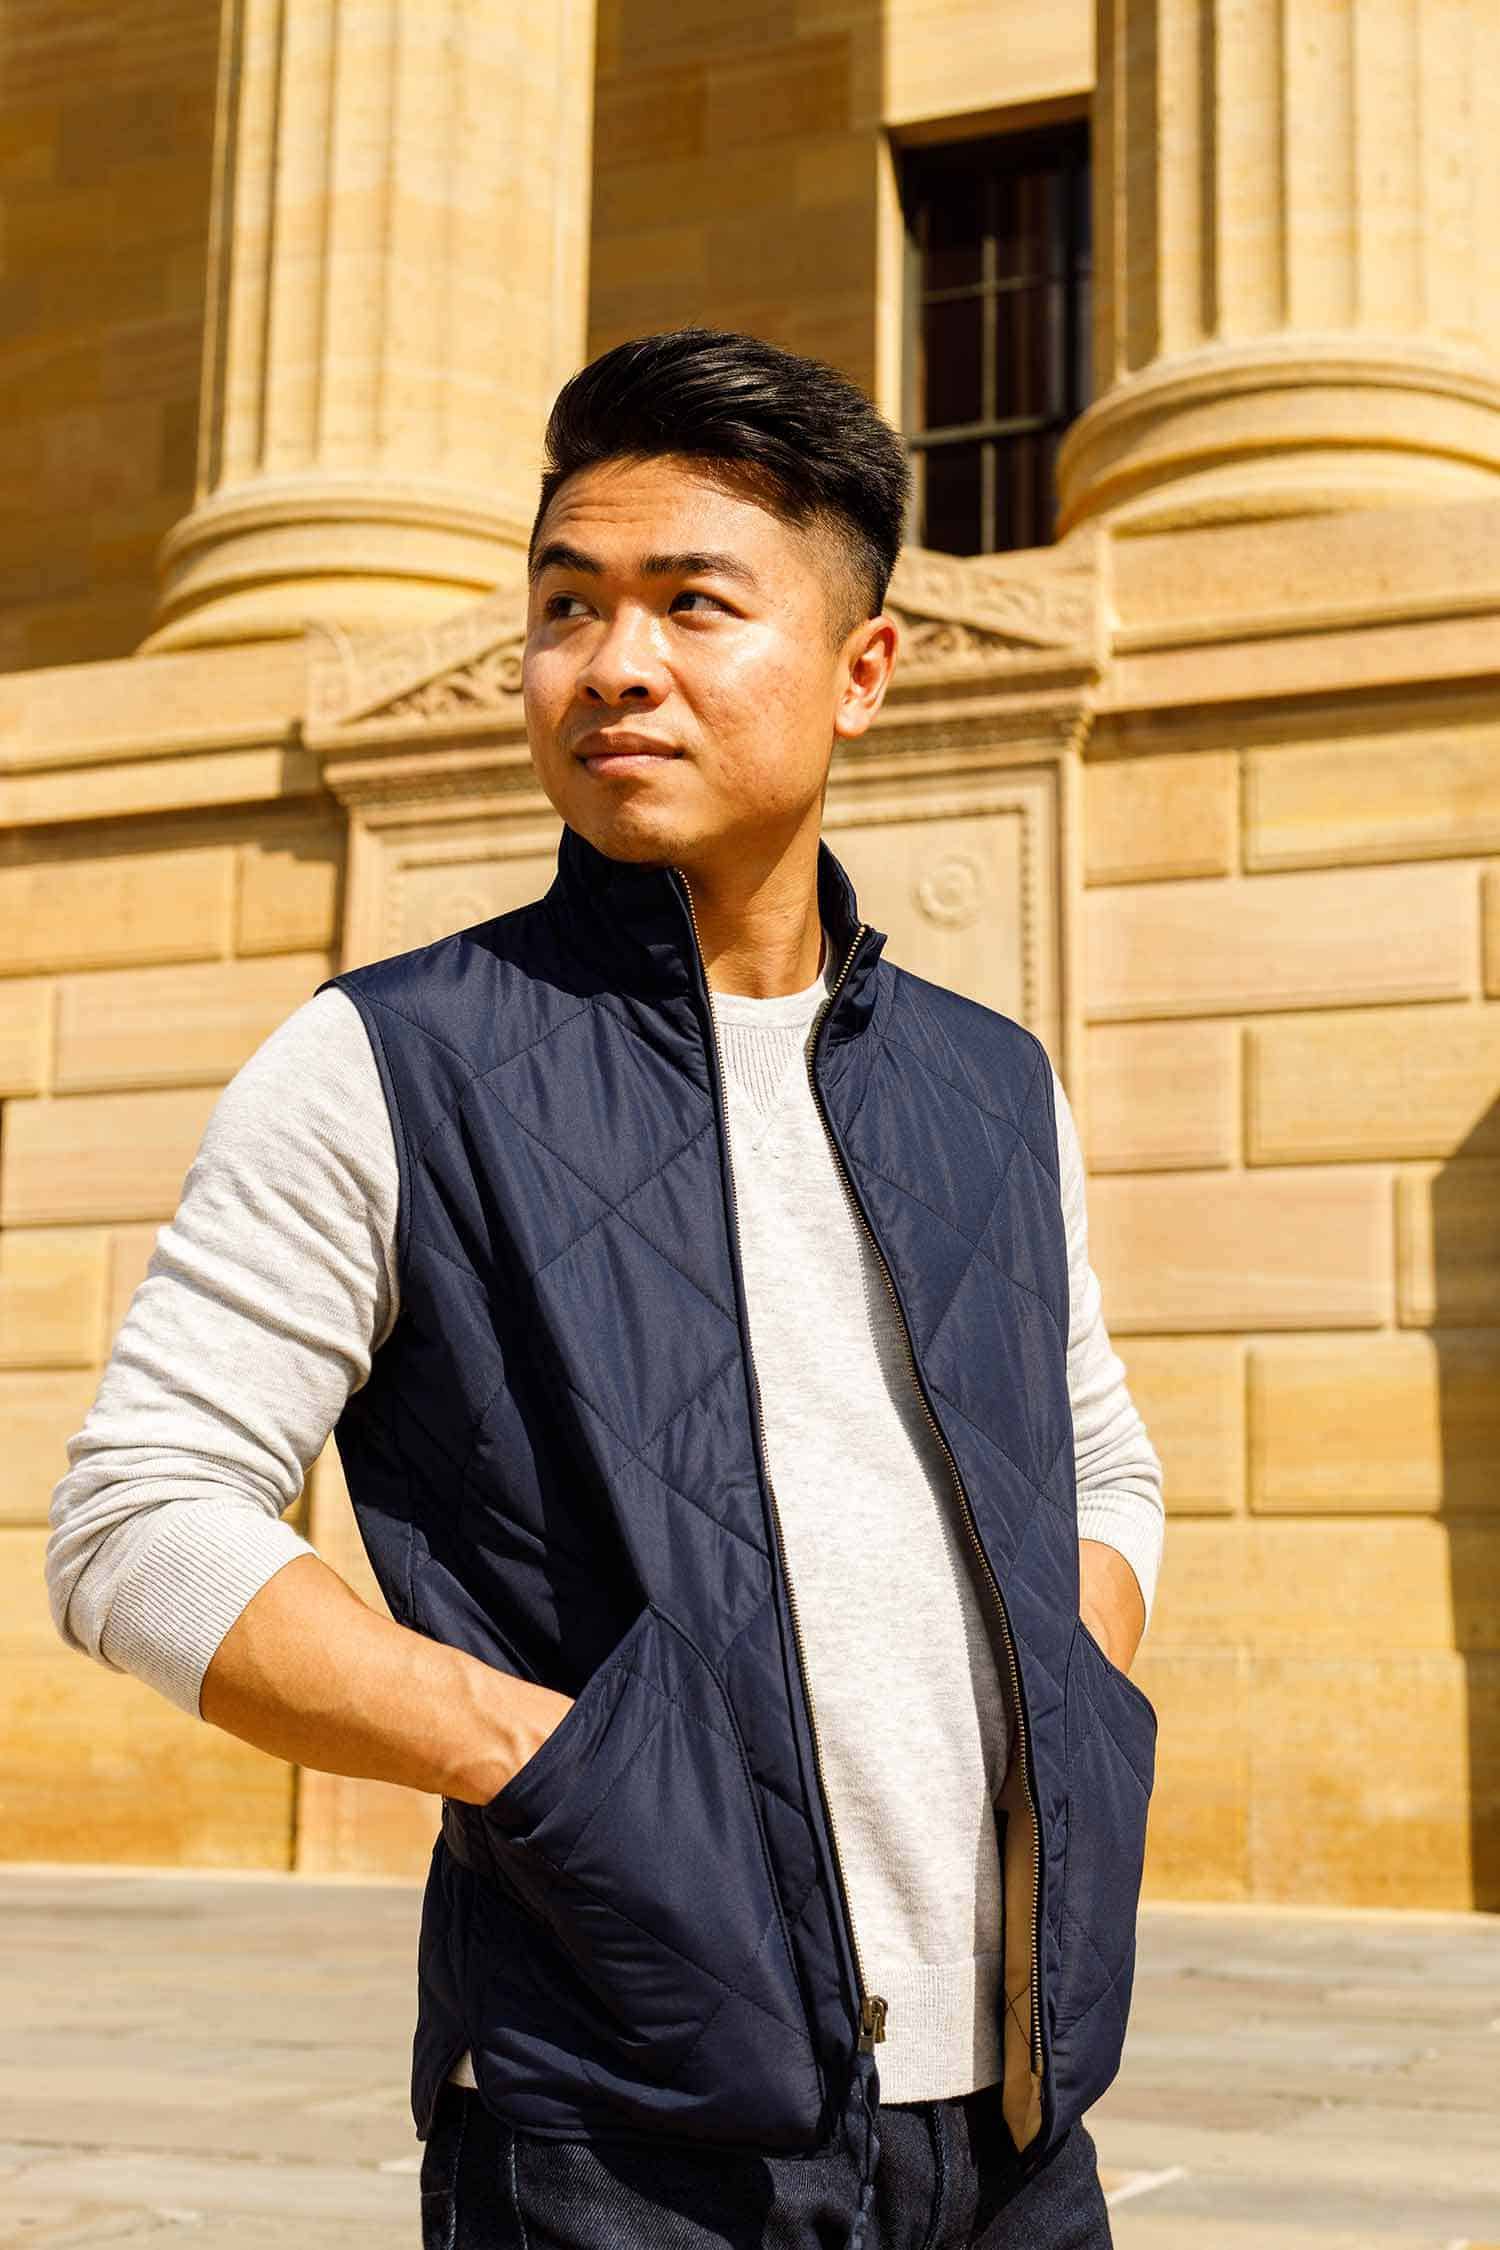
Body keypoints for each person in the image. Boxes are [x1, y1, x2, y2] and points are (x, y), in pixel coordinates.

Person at [47, 328, 1164, 2250]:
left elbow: (1103, 1459)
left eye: (691, 603)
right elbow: (137, 1523)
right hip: (617, 2138)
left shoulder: (993, 1082)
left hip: (1012, 2127)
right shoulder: (386, 1061)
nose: (611, 663)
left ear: (862, 669)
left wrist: (1066, 1697)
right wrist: (540, 1762)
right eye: (568, 604)